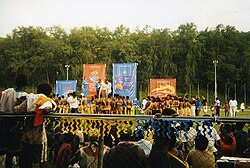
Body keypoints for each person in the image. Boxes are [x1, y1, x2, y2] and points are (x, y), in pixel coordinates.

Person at [20, 83, 56, 168]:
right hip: (39, 136)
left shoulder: (30, 99)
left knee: (26, 160)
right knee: (39, 159)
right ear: (48, 93)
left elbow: (17, 109)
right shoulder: (47, 101)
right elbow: (50, 108)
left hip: (26, 134)